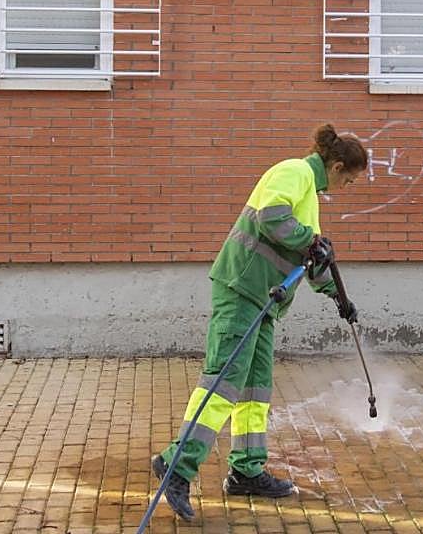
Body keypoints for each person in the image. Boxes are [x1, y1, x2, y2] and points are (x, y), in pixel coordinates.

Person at [151, 124, 368, 521]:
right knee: (223, 382)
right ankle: (176, 465)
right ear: (336, 166)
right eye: (349, 180)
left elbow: (311, 259)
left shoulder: (310, 196)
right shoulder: (295, 172)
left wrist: (340, 297)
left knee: (254, 389)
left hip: (266, 303)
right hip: (242, 290)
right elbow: (273, 218)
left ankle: (246, 470)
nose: (346, 187)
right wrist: (309, 240)